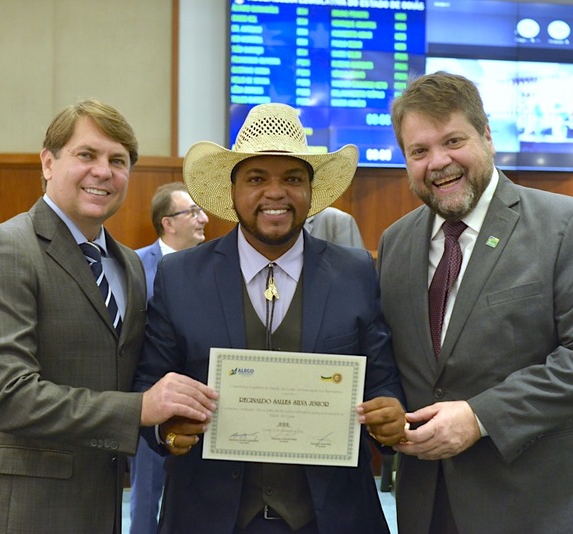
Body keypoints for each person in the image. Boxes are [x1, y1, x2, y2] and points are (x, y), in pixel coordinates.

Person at [0, 99, 218, 534]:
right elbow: (9, 397)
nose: (103, 171)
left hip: (99, 508)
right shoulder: (3, 249)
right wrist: (141, 409)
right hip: (16, 513)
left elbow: (130, 381)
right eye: (86, 154)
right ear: (48, 163)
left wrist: (166, 426)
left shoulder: (129, 266)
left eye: (118, 160)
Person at [133, 102, 406, 533]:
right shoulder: (179, 276)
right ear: (233, 191)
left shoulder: (355, 272)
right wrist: (166, 429)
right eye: (257, 178)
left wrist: (390, 413)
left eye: (292, 179)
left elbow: (383, 380)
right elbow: (148, 386)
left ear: (311, 190)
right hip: (207, 517)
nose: (275, 193)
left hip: (332, 517)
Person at [378, 71, 573, 533]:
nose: (438, 162)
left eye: (453, 141)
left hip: (539, 509)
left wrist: (479, 417)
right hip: (427, 509)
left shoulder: (565, 225)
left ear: (487, 136)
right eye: (419, 151)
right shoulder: (395, 243)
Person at [128, 181, 209, 534]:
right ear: (168, 222)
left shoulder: (211, 267)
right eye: (193, 212)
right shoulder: (133, 265)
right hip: (151, 398)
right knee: (146, 496)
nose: (204, 219)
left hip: (203, 400)